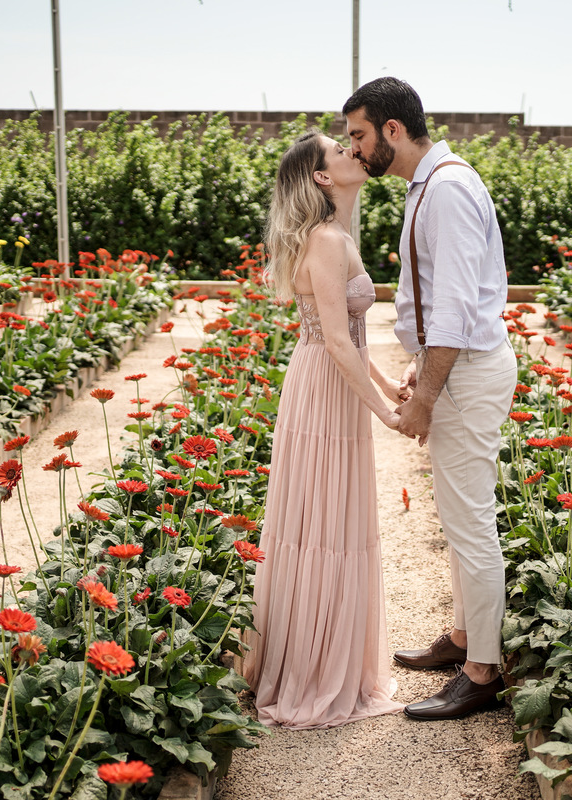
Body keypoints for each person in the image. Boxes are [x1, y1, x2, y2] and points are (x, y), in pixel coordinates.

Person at [343, 77, 516, 721]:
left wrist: (423, 396)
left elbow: (455, 311)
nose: (354, 149)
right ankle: (466, 639)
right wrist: (422, 371)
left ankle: (482, 672)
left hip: (468, 372)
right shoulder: (429, 183)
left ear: (392, 129)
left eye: (359, 134)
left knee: (471, 521)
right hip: (454, 369)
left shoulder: (445, 188)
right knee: (457, 513)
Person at [242, 130, 405, 729]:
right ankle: (311, 669)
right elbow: (338, 340)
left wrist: (390, 388)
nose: (351, 152)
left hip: (324, 378)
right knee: (325, 521)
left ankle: (308, 656)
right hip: (325, 385)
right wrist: (385, 414)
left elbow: (346, 340)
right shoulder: (329, 239)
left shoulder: (330, 236)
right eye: (339, 149)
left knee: (324, 518)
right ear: (320, 176)